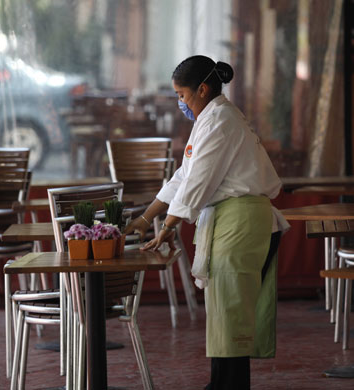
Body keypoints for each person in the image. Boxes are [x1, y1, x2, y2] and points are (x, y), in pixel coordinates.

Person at [124, 55, 289, 389]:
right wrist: (146, 217)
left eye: (182, 95)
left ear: (202, 89)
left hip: (241, 224)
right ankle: (220, 384)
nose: (180, 103)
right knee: (225, 313)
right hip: (231, 223)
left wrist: (168, 226)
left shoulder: (221, 121)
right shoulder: (209, 120)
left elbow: (199, 182)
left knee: (231, 314)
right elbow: (184, 175)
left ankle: (228, 385)